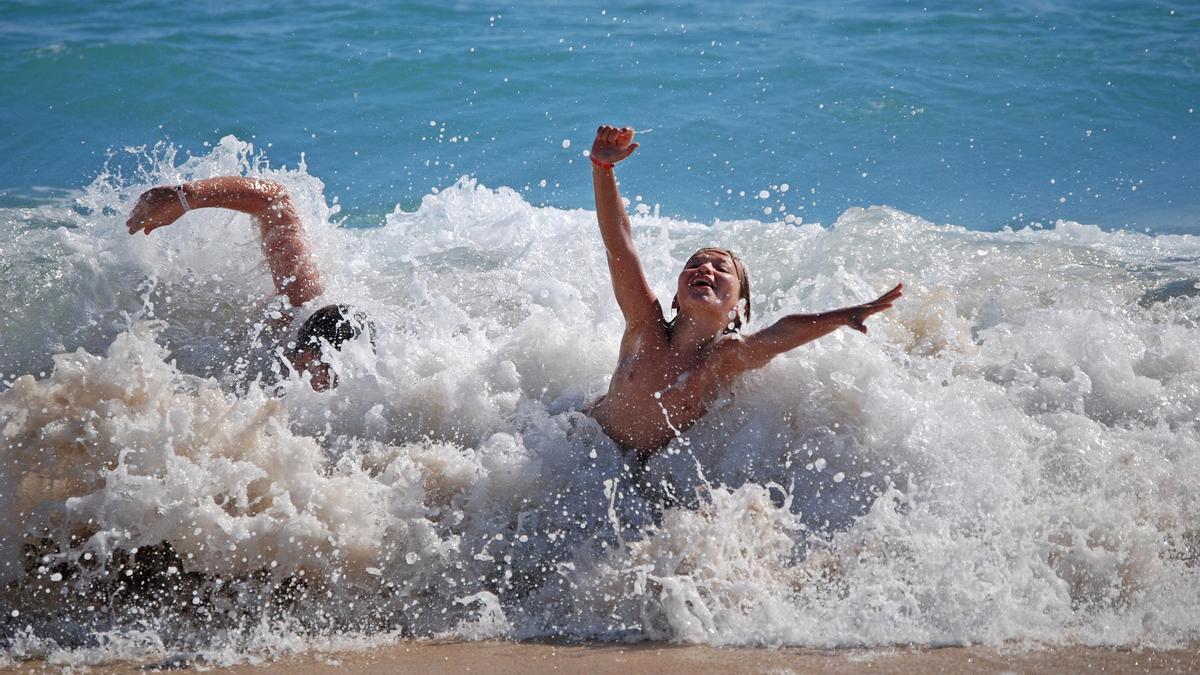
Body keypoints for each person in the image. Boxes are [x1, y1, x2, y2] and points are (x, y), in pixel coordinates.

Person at [585, 125, 903, 460]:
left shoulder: (721, 359)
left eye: (721, 269)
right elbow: (620, 245)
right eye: (695, 264)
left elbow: (780, 333)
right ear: (676, 298)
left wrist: (840, 317)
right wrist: (602, 167)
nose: (705, 269)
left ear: (738, 308)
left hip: (636, 474)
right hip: (584, 446)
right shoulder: (645, 325)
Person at [125, 176, 373, 391]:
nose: (329, 389)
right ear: (308, 357)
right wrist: (185, 197)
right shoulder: (299, 300)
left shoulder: (374, 379)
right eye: (330, 378)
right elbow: (274, 200)